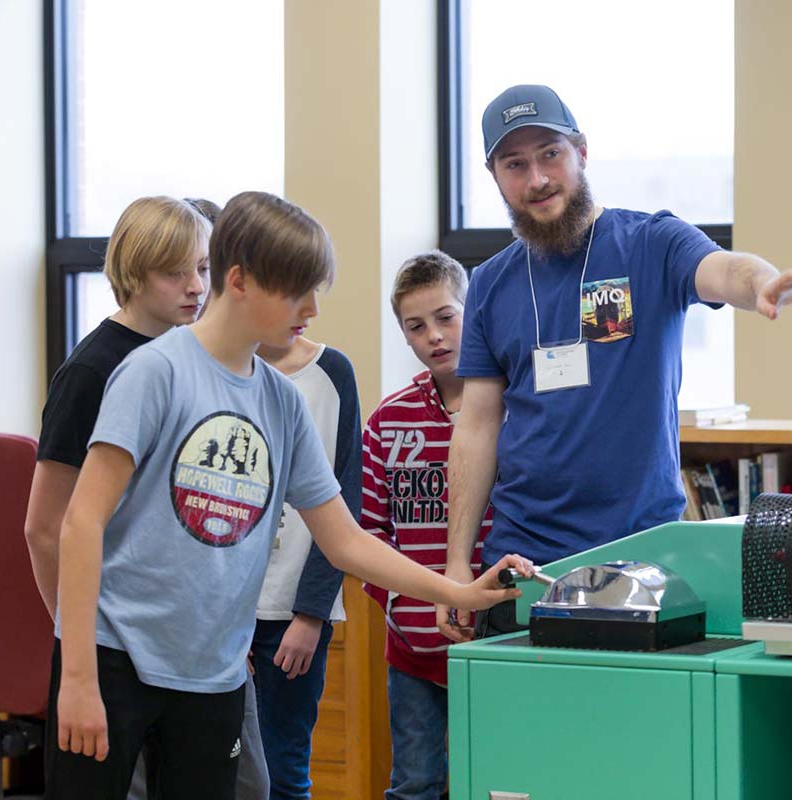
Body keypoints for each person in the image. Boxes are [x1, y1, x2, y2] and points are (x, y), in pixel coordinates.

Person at [47, 191, 531, 800]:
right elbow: (79, 523)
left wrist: (454, 589)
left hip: (212, 674)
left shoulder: (280, 400)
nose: (311, 307)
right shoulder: (154, 372)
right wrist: (78, 678)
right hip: (114, 660)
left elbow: (346, 539)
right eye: (297, 289)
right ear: (240, 279)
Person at [438, 84, 792, 641]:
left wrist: (765, 283)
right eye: (515, 164)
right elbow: (476, 425)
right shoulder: (490, 283)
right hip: (523, 565)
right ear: (495, 174)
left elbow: (724, 270)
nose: (537, 179)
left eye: (550, 154)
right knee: (522, 726)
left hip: (644, 557)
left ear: (581, 151)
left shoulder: (651, 243)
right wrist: (457, 564)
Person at [24, 195, 212, 799]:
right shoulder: (92, 370)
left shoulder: (189, 357)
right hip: (109, 644)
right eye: (174, 272)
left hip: (185, 640)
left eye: (203, 269)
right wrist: (78, 640)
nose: (194, 287)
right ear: (133, 274)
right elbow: (45, 527)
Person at [361, 251, 490, 800]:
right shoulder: (388, 421)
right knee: (414, 783)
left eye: (447, 316)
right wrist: (398, 606)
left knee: (490, 780)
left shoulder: (510, 411)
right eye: (417, 327)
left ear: (474, 312)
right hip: (410, 649)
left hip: (492, 643)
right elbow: (369, 531)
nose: (434, 336)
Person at [252, 331, 360, 799]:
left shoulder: (332, 372)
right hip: (221, 617)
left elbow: (345, 494)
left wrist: (311, 613)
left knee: (284, 770)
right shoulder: (213, 364)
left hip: (293, 616)